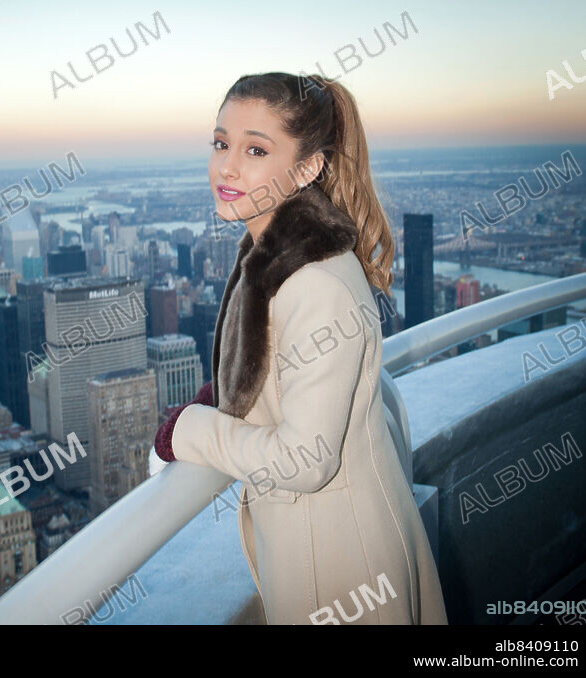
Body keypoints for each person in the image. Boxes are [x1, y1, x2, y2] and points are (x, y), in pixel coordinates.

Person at [153, 72, 447, 625]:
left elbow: (307, 459)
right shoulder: (273, 252)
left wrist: (190, 429)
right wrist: (239, 388)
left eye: (255, 149)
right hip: (324, 549)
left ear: (308, 168)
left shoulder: (315, 281)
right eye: (221, 143)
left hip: (342, 571)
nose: (227, 166)